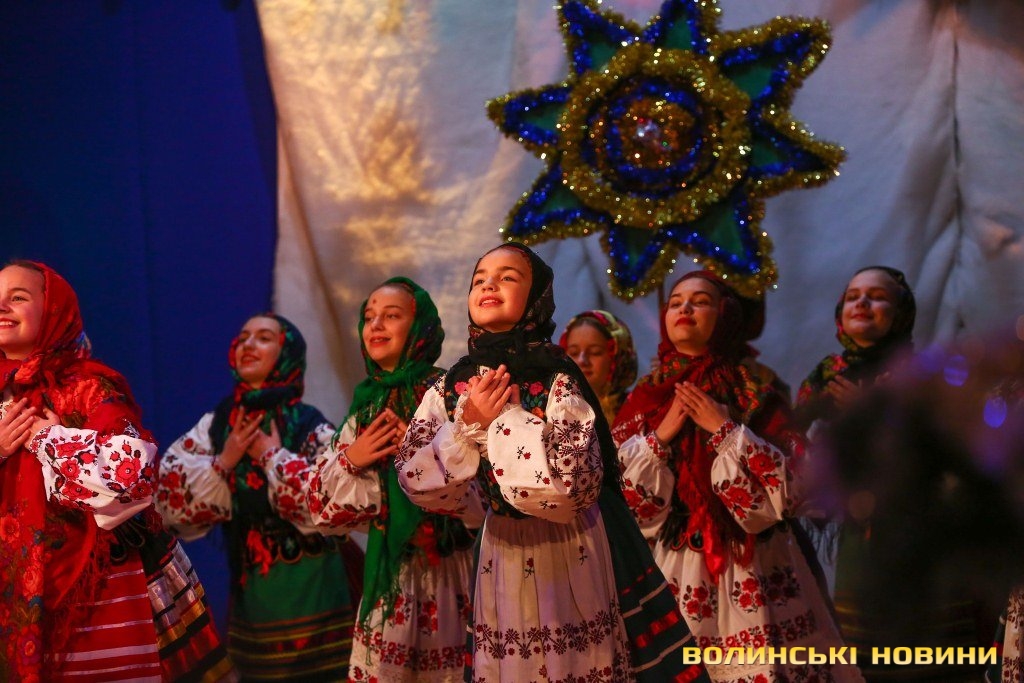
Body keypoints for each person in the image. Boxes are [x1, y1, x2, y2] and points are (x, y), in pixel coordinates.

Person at [396, 243, 708, 682]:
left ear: (536, 297)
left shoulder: (555, 377)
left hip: (569, 547)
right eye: (480, 278)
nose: (489, 284)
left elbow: (570, 488)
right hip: (501, 548)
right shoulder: (451, 386)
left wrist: (504, 421)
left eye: (508, 277)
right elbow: (416, 479)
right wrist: (466, 427)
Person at [612, 270, 862, 683]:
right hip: (677, 563)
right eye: (676, 302)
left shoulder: (752, 393)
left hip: (754, 564)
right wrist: (660, 438)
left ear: (725, 316)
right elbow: (624, 501)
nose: (685, 309)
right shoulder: (646, 398)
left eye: (700, 302)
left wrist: (725, 430)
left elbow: (793, 485)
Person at [0, 260, 234, 682]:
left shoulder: (88, 386)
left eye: (18, 297)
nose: (2, 307)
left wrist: (48, 439)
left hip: (100, 588)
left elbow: (133, 476)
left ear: (53, 310)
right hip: (12, 586)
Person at [263, 277, 479, 682]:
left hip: (449, 571)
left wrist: (421, 459)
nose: (376, 325)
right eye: (369, 316)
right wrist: (353, 458)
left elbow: (479, 490)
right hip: (389, 574)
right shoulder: (367, 403)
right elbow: (322, 507)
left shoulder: (448, 395)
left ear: (419, 327)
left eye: (391, 316)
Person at [156, 313, 363, 681]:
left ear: (287, 354)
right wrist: (226, 459)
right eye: (244, 337)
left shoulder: (306, 422)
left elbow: (332, 498)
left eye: (264, 338)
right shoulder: (218, 425)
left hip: (314, 582)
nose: (248, 345)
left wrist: (272, 456)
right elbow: (172, 506)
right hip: (254, 590)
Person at [558, 309, 638, 425]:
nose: (582, 360)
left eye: (595, 352)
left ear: (618, 357)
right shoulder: (555, 410)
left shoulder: (637, 410)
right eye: (574, 353)